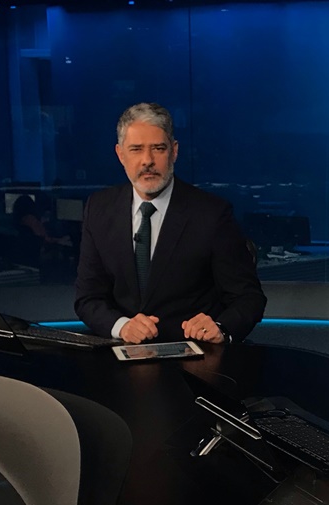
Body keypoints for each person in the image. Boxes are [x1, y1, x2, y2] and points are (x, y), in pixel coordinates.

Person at [74, 103, 266, 344]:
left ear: (174, 151)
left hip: (193, 359)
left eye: (158, 148)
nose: (147, 161)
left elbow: (249, 298)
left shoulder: (211, 214)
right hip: (120, 355)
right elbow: (88, 298)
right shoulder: (99, 208)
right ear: (120, 154)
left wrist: (220, 327)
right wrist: (122, 327)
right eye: (136, 149)